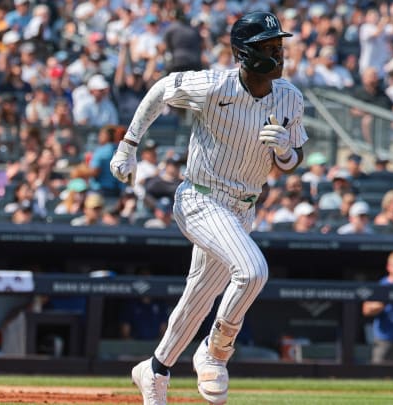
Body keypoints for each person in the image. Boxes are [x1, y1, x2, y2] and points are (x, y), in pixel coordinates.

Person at [109, 11, 307, 405]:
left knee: (197, 298)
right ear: (243, 53)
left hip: (243, 208)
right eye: (267, 47)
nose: (277, 53)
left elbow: (292, 160)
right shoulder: (214, 85)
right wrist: (128, 145)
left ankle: (156, 369)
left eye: (278, 46)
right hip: (201, 196)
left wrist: (286, 149)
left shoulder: (290, 97)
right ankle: (216, 351)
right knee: (252, 271)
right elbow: (162, 89)